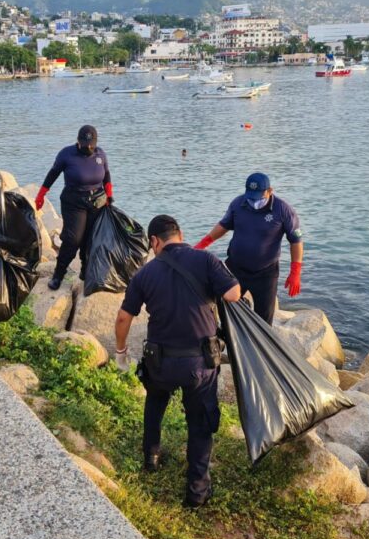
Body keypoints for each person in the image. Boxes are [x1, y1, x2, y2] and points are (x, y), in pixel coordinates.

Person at [115, 215, 241, 508]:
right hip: (200, 365)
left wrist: (121, 353)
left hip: (160, 362)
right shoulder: (207, 261)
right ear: (180, 235)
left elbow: (123, 317)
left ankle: (151, 457)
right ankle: (196, 493)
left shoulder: (144, 274)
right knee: (200, 423)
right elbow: (234, 294)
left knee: (155, 402)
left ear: (154, 242)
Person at [195, 172, 303, 325]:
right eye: (250, 196)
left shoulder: (283, 210)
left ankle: (259, 345)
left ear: (270, 191)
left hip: (266, 273)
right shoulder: (238, 204)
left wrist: (295, 271)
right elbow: (223, 226)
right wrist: (202, 244)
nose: (253, 200)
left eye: (258, 196)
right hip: (235, 268)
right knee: (226, 309)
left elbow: (296, 241)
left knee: (264, 320)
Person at [35, 125, 113, 290]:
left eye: (92, 144)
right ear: (78, 142)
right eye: (86, 145)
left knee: (91, 238)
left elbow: (106, 176)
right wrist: (41, 194)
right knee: (73, 239)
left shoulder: (100, 154)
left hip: (97, 202)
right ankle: (58, 274)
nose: (89, 148)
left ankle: (85, 270)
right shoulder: (67, 154)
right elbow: (53, 173)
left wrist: (109, 195)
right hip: (73, 201)